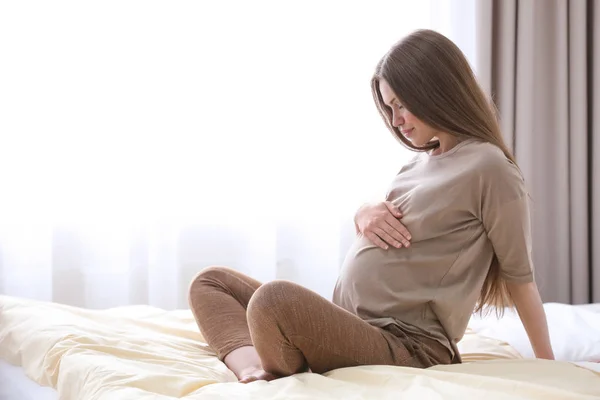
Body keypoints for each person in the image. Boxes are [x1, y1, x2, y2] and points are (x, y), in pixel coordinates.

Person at [187, 29, 554, 384]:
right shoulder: (416, 166)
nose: (396, 121)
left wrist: (549, 367)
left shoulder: (489, 168)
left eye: (401, 105)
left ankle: (277, 356)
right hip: (355, 326)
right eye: (389, 108)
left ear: (437, 90)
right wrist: (362, 212)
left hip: (409, 344)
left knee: (274, 300)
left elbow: (521, 279)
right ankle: (252, 369)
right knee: (211, 282)